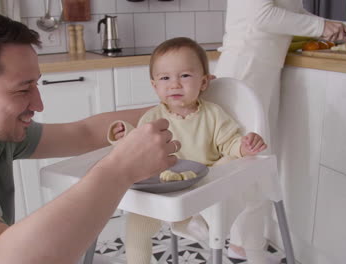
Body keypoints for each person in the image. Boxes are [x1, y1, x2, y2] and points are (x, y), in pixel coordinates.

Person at [0, 12, 182, 264]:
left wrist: (179, 105)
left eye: (35, 84)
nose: (38, 104)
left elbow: (83, 133)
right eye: (22, 89)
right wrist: (120, 169)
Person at [214, 0, 346, 263]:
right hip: (246, 69)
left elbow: (291, 12)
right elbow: (261, 14)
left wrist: (343, 27)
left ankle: (244, 246)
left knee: (258, 162)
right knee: (251, 165)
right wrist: (323, 26)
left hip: (261, 69)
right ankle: (245, 248)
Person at [108, 37, 267, 264]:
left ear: (203, 82)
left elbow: (229, 143)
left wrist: (244, 146)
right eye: (165, 78)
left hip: (202, 190)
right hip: (163, 187)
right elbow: (139, 146)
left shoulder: (213, 115)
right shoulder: (152, 118)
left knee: (227, 161)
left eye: (184, 76)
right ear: (155, 86)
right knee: (136, 230)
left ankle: (192, 219)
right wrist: (124, 135)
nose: (174, 84)